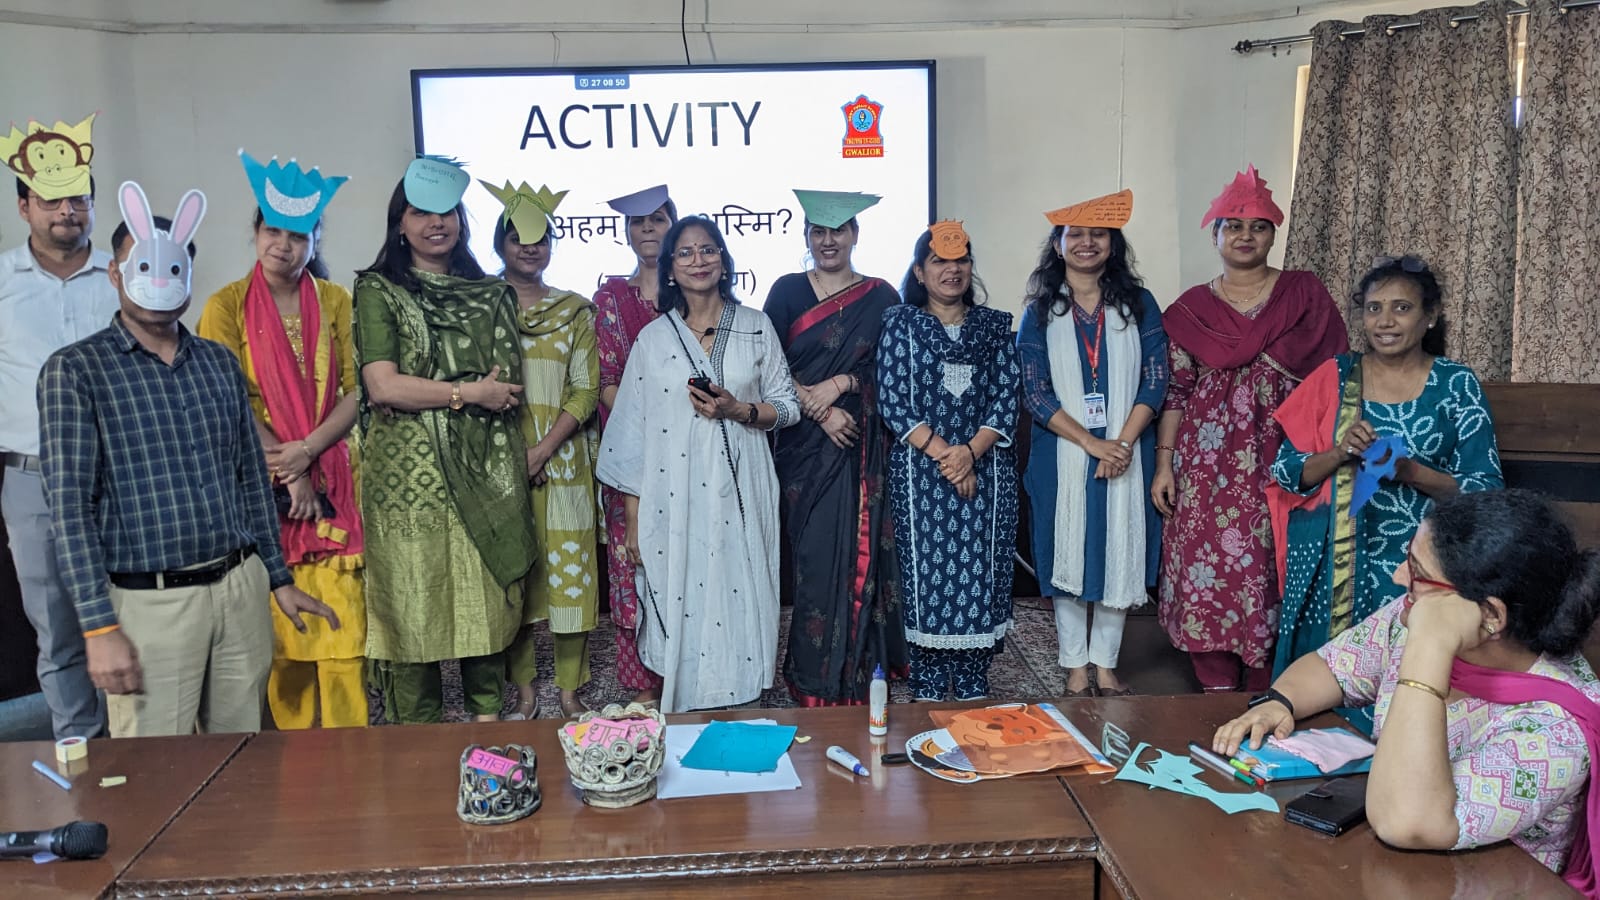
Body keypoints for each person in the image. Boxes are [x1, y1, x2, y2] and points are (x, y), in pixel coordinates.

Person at [38, 180, 338, 737]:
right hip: (149, 605)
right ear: (115, 273)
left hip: (238, 591)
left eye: (174, 268)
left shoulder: (219, 364)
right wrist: (99, 628)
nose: (159, 280)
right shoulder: (75, 372)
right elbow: (71, 510)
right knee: (158, 775)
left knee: (241, 761)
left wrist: (276, 578)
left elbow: (251, 479)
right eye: (142, 266)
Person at [1215, 490, 1600, 897]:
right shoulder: (1411, 617)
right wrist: (1280, 701)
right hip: (1383, 872)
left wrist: (1430, 647)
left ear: (1489, 615)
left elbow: (1406, 820)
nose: (1399, 577)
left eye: (1417, 572)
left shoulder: (1555, 730)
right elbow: (1333, 668)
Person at [353, 158, 536, 724]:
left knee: (481, 604)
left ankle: (488, 727)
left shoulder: (489, 293)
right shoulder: (378, 290)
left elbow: (505, 387)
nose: (436, 223)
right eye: (419, 212)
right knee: (413, 606)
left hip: (485, 469)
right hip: (406, 481)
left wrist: (452, 392)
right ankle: (418, 749)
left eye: (447, 212)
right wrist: (466, 394)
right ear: (399, 224)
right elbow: (382, 384)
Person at [1152, 166, 1348, 693]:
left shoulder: (1303, 295)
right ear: (1215, 235)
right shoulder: (1190, 310)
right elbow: (1175, 392)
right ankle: (1214, 686)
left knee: (1270, 563)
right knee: (1203, 563)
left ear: (1272, 234)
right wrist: (1164, 465)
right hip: (1206, 465)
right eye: (1232, 225)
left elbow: (1337, 377)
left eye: (1257, 226)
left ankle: (1268, 681)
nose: (1244, 236)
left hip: (1285, 454)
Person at [595, 215, 799, 713]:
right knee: (681, 590)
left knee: (742, 587)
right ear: (669, 269)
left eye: (708, 251)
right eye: (684, 253)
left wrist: (739, 410)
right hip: (673, 500)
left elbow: (787, 405)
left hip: (742, 492)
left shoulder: (756, 326)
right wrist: (635, 524)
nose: (698, 261)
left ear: (724, 262)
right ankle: (687, 704)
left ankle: (744, 698)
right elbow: (631, 436)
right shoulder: (653, 341)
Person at [1268, 255, 1503, 685]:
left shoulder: (1455, 384)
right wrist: (1339, 452)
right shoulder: (1335, 377)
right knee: (1322, 708)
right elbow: (1286, 471)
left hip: (1424, 573)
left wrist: (1410, 471)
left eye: (1402, 307)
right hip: (1336, 570)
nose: (1385, 321)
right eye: (1374, 308)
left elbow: (1486, 491)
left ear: (1429, 317)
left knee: (1407, 692)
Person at [196, 151, 367, 729]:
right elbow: (231, 398)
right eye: (273, 230)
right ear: (255, 233)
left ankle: (355, 761)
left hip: (336, 483)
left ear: (315, 239)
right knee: (286, 649)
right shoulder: (223, 307)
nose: (284, 245)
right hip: (264, 490)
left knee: (345, 641)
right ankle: (295, 771)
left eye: (298, 234)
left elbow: (356, 391)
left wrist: (308, 452)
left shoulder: (337, 301)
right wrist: (288, 468)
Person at [1017, 190, 1167, 698]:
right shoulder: (1039, 312)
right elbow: (1034, 394)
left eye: (1097, 234)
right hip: (1060, 453)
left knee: (1117, 551)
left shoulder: (1140, 305)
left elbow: (1156, 380)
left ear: (1112, 244)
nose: (1086, 243)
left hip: (1127, 450)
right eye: (1075, 234)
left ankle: (1105, 663)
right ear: (1058, 245)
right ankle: (1074, 665)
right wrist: (1092, 444)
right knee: (1068, 554)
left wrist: (1120, 443)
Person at [764, 189, 908, 706]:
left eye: (838, 231)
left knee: (864, 562)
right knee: (815, 564)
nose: (829, 241)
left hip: (863, 454)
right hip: (804, 454)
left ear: (855, 235)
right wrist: (819, 410)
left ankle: (861, 677)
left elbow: (893, 375)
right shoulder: (784, 293)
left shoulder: (882, 296)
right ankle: (814, 683)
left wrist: (843, 383)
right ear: (807, 236)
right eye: (818, 232)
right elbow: (768, 367)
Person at [0, 112, 114, 739]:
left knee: (132, 616)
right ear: (24, 207)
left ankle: (146, 753)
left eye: (79, 198)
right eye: (51, 199)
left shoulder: (126, 279)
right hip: (31, 480)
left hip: (121, 478)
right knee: (57, 627)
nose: (67, 210)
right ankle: (81, 752)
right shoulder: (2, 283)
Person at [878, 221, 1020, 701]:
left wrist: (970, 453)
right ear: (920, 270)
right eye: (939, 261)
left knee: (982, 567)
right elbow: (895, 401)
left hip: (987, 471)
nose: (951, 270)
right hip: (922, 474)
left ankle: (974, 673)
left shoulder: (994, 328)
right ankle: (930, 676)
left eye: (960, 261)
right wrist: (946, 456)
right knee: (927, 574)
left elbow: (1006, 397)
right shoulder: (900, 325)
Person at [483, 181, 599, 720]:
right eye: (518, 239)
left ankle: (570, 686)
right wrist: (515, 456)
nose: (530, 248)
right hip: (497, 466)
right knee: (517, 580)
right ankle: (526, 687)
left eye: (541, 239)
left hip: (565, 463)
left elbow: (586, 388)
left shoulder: (575, 311)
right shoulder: (481, 309)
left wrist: (543, 450)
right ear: (500, 244)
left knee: (570, 577)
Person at [594, 184, 675, 706]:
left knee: (686, 561)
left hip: (691, 453)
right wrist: (650, 425)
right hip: (632, 451)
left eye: (658, 220)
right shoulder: (610, 299)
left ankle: (686, 674)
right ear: (627, 232)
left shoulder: (690, 293)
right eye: (638, 222)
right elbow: (607, 380)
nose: (648, 229)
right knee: (633, 560)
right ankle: (642, 683)